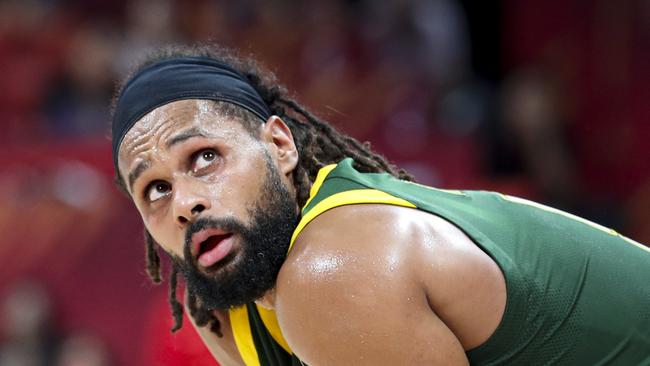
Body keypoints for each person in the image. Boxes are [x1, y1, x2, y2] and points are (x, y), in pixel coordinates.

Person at [110, 44, 650, 366]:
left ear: (280, 145)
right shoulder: (228, 311)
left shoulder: (336, 268)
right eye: (154, 189)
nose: (184, 202)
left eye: (205, 157)